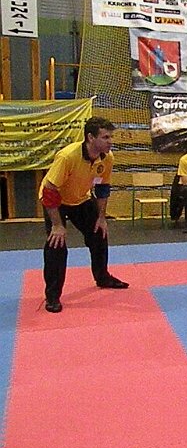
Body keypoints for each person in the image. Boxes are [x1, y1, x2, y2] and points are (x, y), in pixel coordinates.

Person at [39, 116, 129, 313]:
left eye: (111, 137)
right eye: (105, 137)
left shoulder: (107, 158)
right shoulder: (67, 156)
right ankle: (52, 296)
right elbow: (49, 190)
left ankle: (102, 277)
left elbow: (103, 188)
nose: (110, 141)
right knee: (56, 245)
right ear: (90, 137)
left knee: (99, 234)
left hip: (80, 199)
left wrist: (101, 217)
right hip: (56, 200)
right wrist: (57, 225)